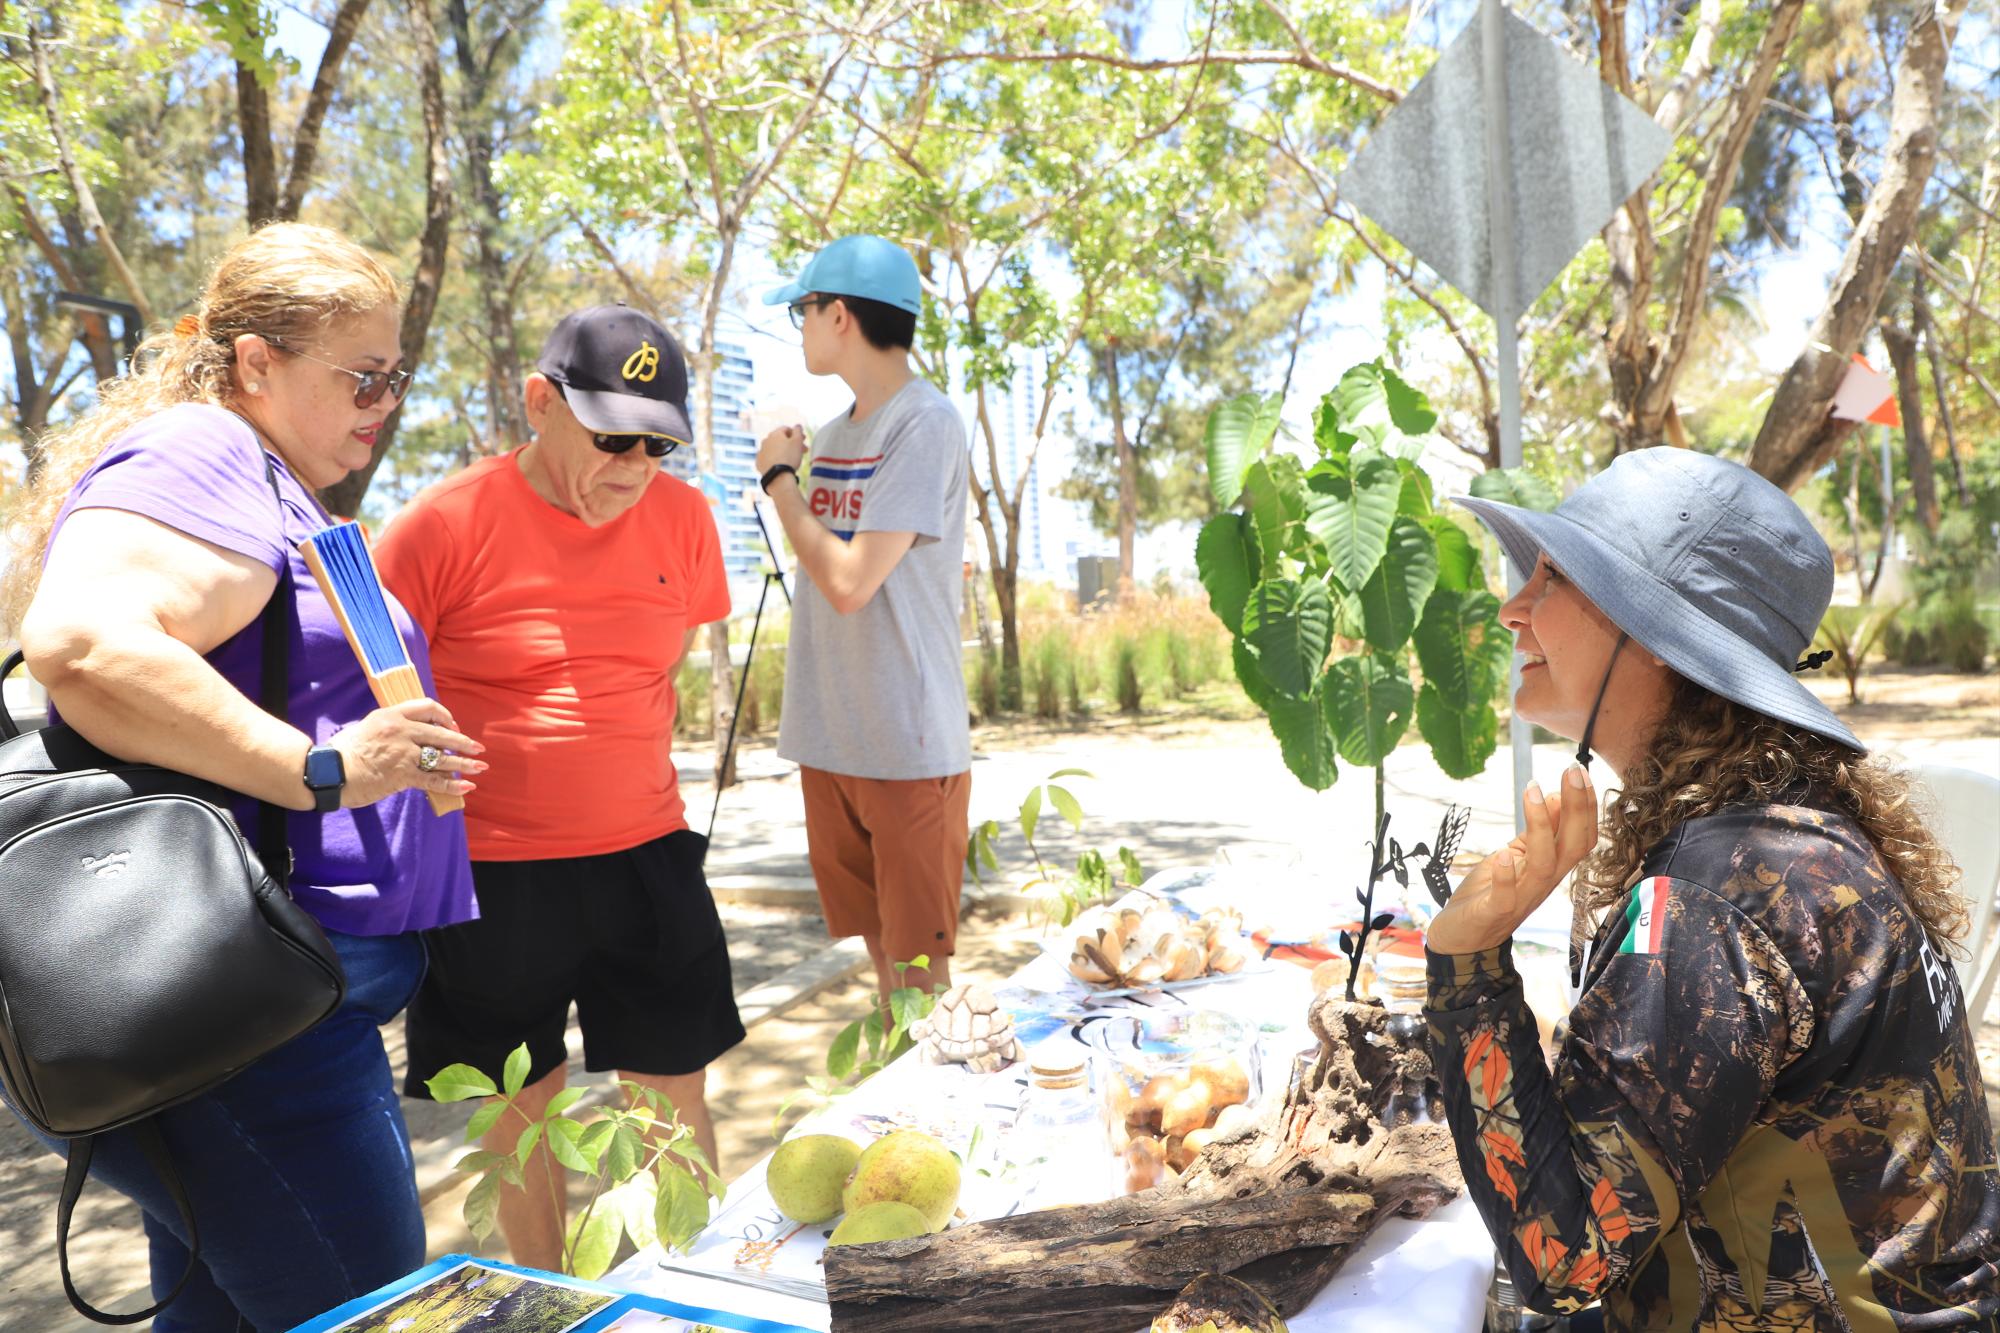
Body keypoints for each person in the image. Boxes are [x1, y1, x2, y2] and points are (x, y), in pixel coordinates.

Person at [2, 222, 481, 1330]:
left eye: (395, 373)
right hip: (251, 1026)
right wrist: (317, 766)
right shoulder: (202, 450)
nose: (385, 398)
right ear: (256, 364)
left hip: (276, 1014)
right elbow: (82, 643)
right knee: (372, 1312)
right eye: (363, 375)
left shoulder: (275, 484)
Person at [1423, 448, 1998, 1330]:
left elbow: (1561, 1255)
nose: (1512, 609)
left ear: (1650, 635)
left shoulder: (1718, 893)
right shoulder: (1781, 832)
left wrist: (1467, 965)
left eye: (1552, 578)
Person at [381, 305, 741, 1271]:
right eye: (611, 435)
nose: (632, 464)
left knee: (671, 1099)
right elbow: (363, 692)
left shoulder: (687, 519)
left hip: (650, 856)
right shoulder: (439, 524)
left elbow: (665, 661)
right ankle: (537, 1303)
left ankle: (695, 1291)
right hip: (493, 874)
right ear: (539, 402)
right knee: (516, 1120)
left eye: (657, 443)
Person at [753, 234, 972, 1012]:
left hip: (905, 745)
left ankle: (929, 1126)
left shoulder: (925, 423)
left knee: (921, 983)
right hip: (832, 736)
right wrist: (796, 475)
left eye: (802, 311)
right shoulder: (839, 434)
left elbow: (848, 581)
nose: (801, 327)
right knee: (884, 969)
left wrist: (780, 481)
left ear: (838, 314)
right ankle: (892, 1125)